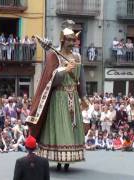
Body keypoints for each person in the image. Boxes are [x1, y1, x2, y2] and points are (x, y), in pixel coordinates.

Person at [27, 20, 86, 171]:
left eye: (74, 40)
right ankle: (59, 160)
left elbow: (81, 79)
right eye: (69, 40)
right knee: (61, 128)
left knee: (72, 128)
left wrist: (84, 97)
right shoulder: (54, 56)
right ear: (62, 40)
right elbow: (50, 80)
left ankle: (68, 160)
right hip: (58, 98)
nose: (72, 42)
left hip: (72, 96)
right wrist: (65, 69)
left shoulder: (78, 57)